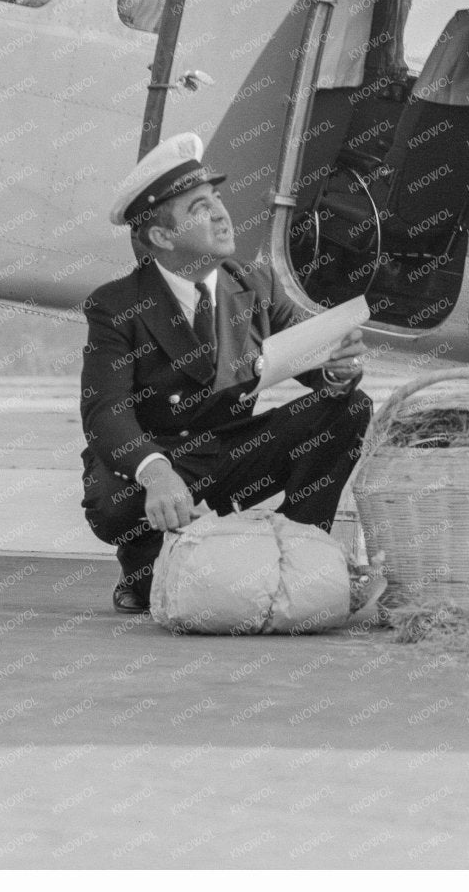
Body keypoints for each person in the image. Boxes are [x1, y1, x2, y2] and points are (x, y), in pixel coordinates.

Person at [80, 132, 371, 613]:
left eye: (217, 199)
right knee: (123, 512)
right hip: (164, 465)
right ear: (162, 236)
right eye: (199, 207)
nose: (220, 213)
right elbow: (105, 411)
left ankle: (302, 553)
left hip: (234, 454)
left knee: (347, 409)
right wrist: (155, 473)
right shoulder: (116, 306)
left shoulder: (254, 283)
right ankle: (145, 563)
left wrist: (338, 368)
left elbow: (313, 362)